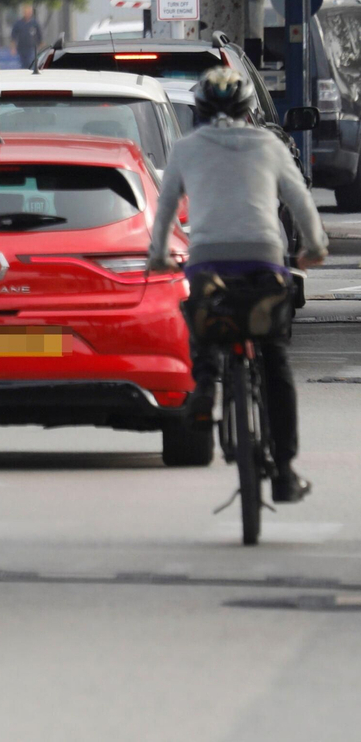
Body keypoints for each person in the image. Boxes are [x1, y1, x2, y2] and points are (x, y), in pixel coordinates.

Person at [147, 67, 327, 503]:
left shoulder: (186, 149)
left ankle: (206, 387)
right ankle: (284, 472)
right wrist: (315, 248)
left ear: (201, 112)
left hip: (208, 262)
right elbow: (300, 200)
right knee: (275, 359)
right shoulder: (268, 144)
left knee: (205, 318)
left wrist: (158, 257)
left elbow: (166, 206)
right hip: (264, 260)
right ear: (250, 110)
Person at [10, 4, 43, 69]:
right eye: (26, 12)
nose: (27, 13)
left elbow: (39, 35)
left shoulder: (34, 23)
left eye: (29, 12)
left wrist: (40, 45)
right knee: (24, 64)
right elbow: (13, 36)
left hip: (32, 48)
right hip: (21, 48)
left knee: (30, 62)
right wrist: (13, 48)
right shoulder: (18, 23)